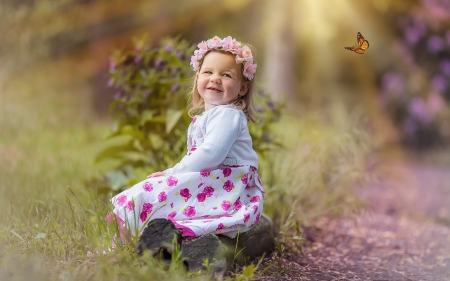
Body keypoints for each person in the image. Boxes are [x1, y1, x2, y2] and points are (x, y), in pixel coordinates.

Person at [108, 35, 264, 241]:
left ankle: (127, 246)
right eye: (208, 72)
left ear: (242, 88)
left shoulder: (228, 115)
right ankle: (127, 246)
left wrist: (171, 173)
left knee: (147, 194)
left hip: (228, 187)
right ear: (198, 77)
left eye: (226, 75)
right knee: (148, 194)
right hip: (214, 181)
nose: (215, 78)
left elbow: (211, 154)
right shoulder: (208, 117)